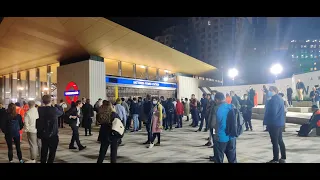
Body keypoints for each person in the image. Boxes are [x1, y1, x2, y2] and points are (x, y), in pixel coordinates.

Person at [36, 95, 63, 163]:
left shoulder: (40, 109)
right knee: (52, 151)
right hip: (53, 134)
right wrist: (56, 105)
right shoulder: (54, 109)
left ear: (43, 101)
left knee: (44, 150)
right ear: (51, 101)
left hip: (43, 133)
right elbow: (61, 112)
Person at [263, 86, 286, 163]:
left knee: (275, 141)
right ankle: (283, 157)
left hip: (273, 123)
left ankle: (275, 159)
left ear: (274, 91)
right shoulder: (280, 98)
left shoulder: (274, 100)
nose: (269, 92)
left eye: (270, 90)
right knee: (280, 140)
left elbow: (273, 112)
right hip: (279, 123)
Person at [212, 92, 237, 163]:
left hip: (220, 138)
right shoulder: (231, 106)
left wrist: (214, 134)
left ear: (217, 100)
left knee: (219, 159)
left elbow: (212, 124)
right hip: (232, 137)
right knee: (232, 159)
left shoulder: (216, 108)